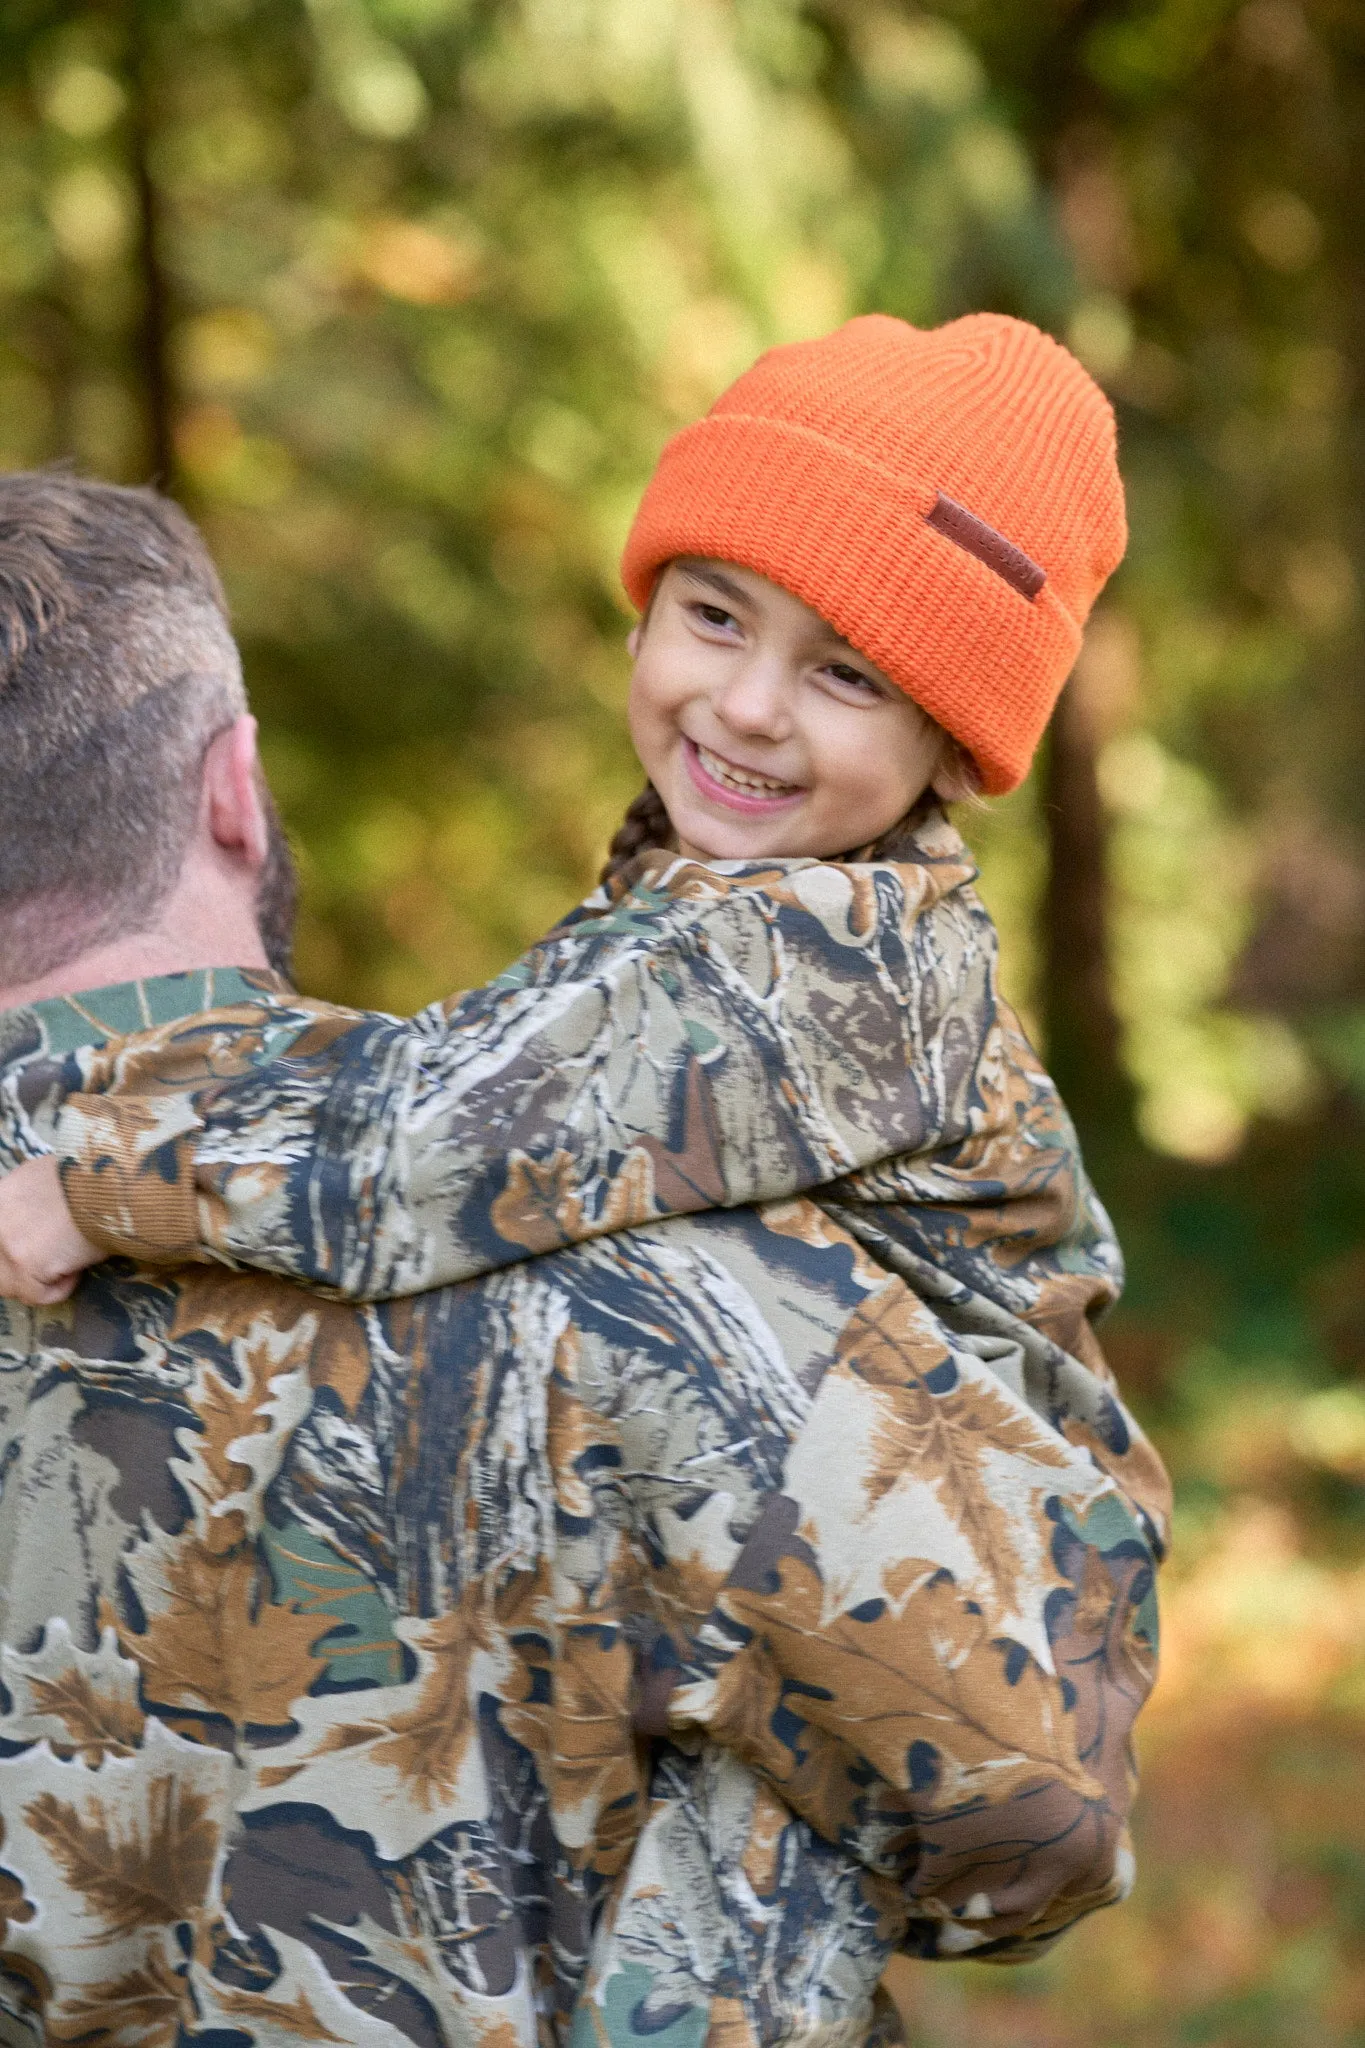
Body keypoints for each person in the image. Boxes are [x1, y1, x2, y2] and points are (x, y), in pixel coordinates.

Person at [0, 316, 1170, 2043]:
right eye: (714, 615)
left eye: (848, 673)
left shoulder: (822, 960)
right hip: (863, 1527)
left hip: (1010, 1513)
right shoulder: (696, 919)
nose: (751, 705)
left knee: (728, 1913)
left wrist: (101, 1175)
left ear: (954, 745)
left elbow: (421, 1142)